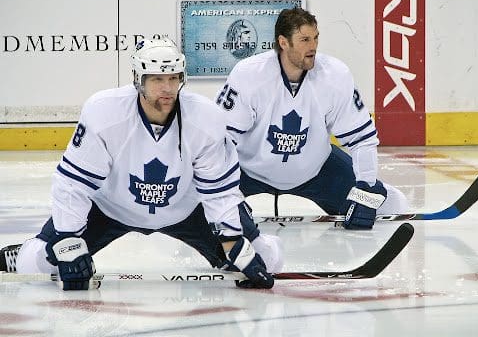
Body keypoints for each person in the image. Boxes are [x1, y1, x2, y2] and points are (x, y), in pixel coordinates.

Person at [0, 39, 282, 290]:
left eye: (173, 78)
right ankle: (20, 251)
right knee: (35, 266)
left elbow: (219, 191)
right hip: (110, 207)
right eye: (157, 79)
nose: (167, 88)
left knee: (268, 259)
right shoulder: (104, 113)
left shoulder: (206, 119)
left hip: (186, 208)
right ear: (138, 79)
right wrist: (69, 243)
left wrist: (235, 245)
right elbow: (72, 184)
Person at [215, 7, 408, 229]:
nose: (313, 46)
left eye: (315, 38)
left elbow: (361, 138)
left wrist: (365, 191)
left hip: (316, 171)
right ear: (283, 42)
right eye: (304, 39)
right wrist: (227, 195)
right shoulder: (249, 75)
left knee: (391, 205)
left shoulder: (335, 75)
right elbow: (220, 141)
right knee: (194, 200)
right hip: (248, 173)